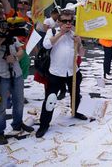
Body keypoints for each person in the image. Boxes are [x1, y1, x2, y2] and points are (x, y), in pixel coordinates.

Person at [36, 10, 87, 138]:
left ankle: (75, 112)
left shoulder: (75, 33)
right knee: (50, 99)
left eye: (70, 21)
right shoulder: (52, 32)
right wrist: (61, 33)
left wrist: (79, 42)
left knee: (75, 95)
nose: (68, 23)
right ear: (59, 22)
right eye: (65, 21)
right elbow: (46, 45)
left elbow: (82, 54)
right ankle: (44, 124)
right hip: (56, 73)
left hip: (72, 72)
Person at [0, 8, 34, 145]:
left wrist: (15, 57)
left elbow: (21, 50)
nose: (0, 21)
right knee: (0, 106)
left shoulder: (12, 33)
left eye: (2, 18)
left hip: (16, 73)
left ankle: (17, 124)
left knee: (19, 101)